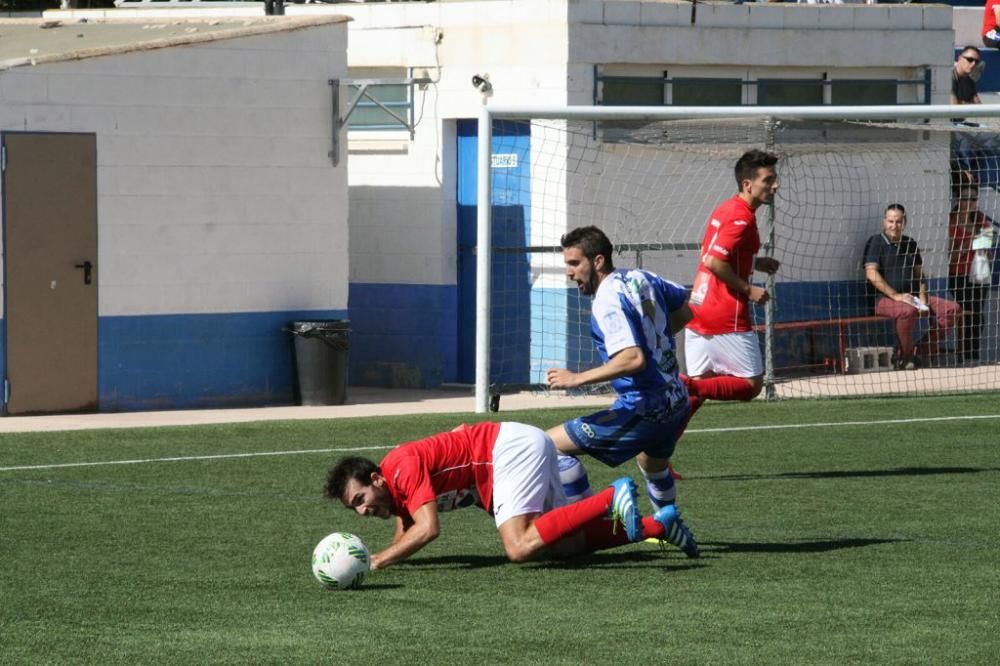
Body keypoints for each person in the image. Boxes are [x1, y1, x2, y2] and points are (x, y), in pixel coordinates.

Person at [323, 421, 686, 570]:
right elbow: (407, 526)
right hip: (513, 454)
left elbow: (428, 528)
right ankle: (659, 526)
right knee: (562, 547)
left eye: (360, 499)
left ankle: (612, 496)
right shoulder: (396, 489)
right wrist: (385, 556)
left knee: (518, 547)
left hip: (507, 451)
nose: (362, 511)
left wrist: (376, 561)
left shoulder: (400, 466)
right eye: (353, 508)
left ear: (376, 479)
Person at [543, 225, 700, 558]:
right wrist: (657, 340)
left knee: (545, 447)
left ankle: (596, 517)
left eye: (574, 264)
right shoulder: (642, 277)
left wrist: (576, 378)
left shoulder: (607, 301)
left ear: (598, 261)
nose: (570, 274)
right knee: (652, 463)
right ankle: (665, 527)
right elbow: (685, 310)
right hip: (675, 401)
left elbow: (632, 358)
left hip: (645, 407)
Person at [684, 149, 781, 403]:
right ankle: (682, 386)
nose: (775, 186)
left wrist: (753, 262)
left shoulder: (725, 208)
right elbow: (716, 262)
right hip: (725, 312)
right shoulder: (741, 217)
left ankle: (652, 444)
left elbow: (711, 255)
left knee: (695, 396)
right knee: (751, 385)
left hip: (698, 308)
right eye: (768, 180)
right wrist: (749, 290)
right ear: (747, 185)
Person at [863, 203, 963, 370]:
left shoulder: (911, 244)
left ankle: (922, 351)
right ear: (884, 222)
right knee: (907, 311)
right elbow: (871, 273)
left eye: (899, 221)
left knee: (952, 309)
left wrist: (923, 298)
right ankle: (906, 356)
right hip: (883, 300)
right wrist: (896, 296)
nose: (894, 226)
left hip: (912, 297)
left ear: (905, 222)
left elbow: (920, 276)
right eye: (890, 221)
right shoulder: (875, 242)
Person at [948, 180, 995, 365]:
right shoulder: (951, 221)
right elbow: (950, 257)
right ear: (959, 199)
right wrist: (969, 243)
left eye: (973, 198)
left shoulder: (981, 220)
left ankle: (972, 356)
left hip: (978, 275)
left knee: (977, 315)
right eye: (966, 198)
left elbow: (987, 251)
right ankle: (962, 355)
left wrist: (984, 245)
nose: (970, 202)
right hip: (958, 275)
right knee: (964, 314)